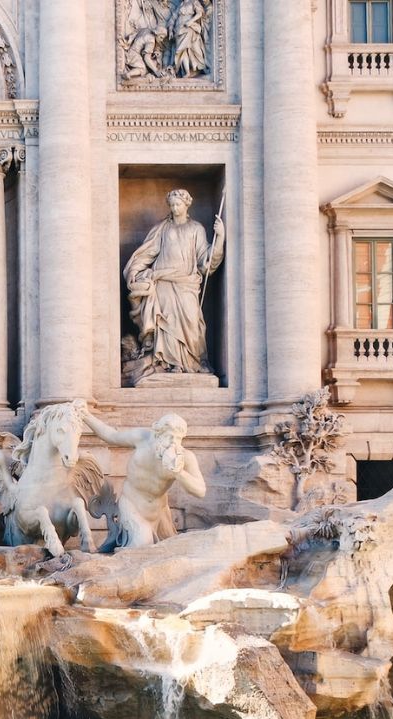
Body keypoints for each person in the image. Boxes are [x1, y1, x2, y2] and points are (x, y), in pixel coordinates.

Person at [124, 188, 224, 375]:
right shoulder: (163, 228)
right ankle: (171, 363)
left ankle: (193, 361)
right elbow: (148, 252)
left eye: (178, 204)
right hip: (163, 281)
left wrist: (220, 237)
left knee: (192, 321)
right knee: (166, 323)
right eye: (172, 205)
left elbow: (206, 260)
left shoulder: (196, 229)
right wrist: (135, 269)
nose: (175, 208)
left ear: (187, 205)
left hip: (186, 283)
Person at [78, 406, 206, 549]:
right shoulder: (141, 438)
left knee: (166, 552)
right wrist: (86, 416)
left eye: (178, 438)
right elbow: (111, 436)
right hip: (132, 506)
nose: (173, 442)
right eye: (169, 436)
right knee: (142, 545)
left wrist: (178, 472)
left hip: (160, 513)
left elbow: (200, 491)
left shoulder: (184, 458)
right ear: (158, 433)